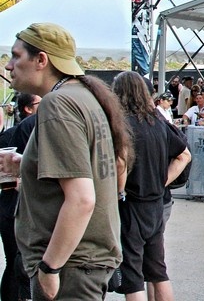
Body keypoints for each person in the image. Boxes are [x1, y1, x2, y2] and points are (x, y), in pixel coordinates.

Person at [1, 23, 132, 300]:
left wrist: (49, 268)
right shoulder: (84, 96)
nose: (9, 65)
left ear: (41, 60)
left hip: (70, 268)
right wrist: (27, 164)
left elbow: (82, 199)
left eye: (16, 56)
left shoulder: (57, 103)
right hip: (82, 263)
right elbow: (90, 169)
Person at [112, 71, 190, 301]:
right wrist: (161, 180)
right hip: (156, 203)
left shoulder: (122, 124)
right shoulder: (158, 121)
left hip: (132, 204)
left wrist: (119, 192)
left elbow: (120, 161)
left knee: (133, 275)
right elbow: (184, 155)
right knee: (158, 270)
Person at [0, 93, 40, 301]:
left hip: (11, 208)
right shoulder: (32, 129)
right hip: (16, 209)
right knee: (19, 266)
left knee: (15, 265)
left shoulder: (15, 133)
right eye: (39, 102)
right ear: (28, 108)